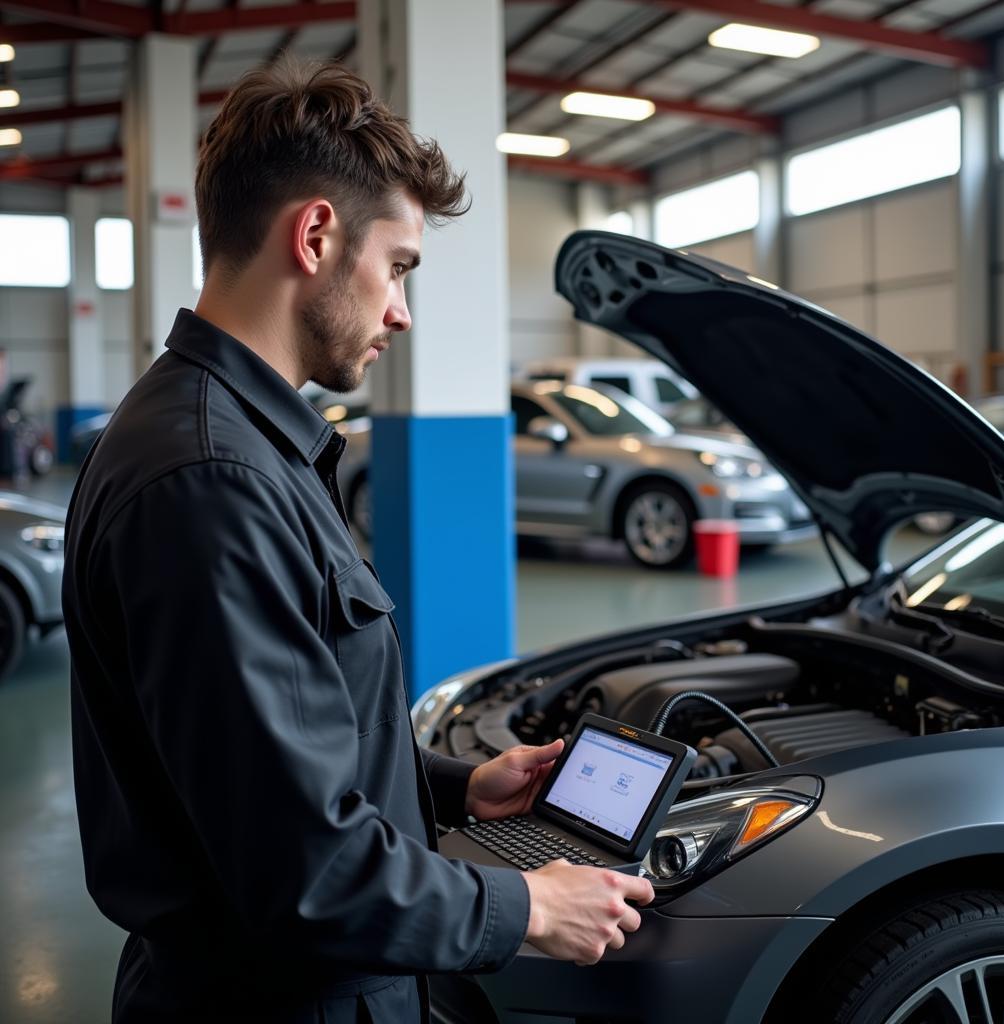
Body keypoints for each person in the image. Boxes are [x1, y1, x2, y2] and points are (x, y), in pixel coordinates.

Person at [62, 58, 654, 1024]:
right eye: (399, 266)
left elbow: (268, 755)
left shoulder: (224, 439)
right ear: (316, 235)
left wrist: (461, 789)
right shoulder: (214, 482)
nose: (402, 311)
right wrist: (529, 907)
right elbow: (302, 867)